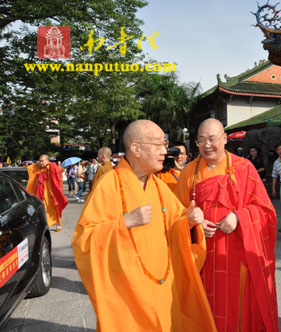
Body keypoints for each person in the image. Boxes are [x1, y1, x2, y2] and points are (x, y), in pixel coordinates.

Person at [72, 120, 216, 332]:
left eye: (164, 145)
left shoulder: (158, 186)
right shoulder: (109, 184)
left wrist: (191, 222)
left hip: (163, 286)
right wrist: (124, 223)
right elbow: (84, 239)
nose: (164, 152)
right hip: (128, 291)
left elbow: (178, 221)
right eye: (157, 145)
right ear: (136, 148)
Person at [175, 118, 279, 332]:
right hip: (203, 259)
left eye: (212, 139)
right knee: (206, 312)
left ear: (224, 140)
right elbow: (174, 215)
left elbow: (266, 212)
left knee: (236, 311)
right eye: (201, 140)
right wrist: (193, 223)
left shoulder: (244, 169)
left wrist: (239, 217)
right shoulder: (188, 173)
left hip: (237, 258)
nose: (207, 145)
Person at [27, 154, 68, 232]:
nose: (41, 162)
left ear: (47, 160)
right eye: (40, 161)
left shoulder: (51, 167)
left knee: (54, 208)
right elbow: (30, 168)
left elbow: (60, 170)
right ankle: (44, 224)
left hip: (50, 193)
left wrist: (50, 165)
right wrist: (37, 164)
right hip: (40, 192)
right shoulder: (38, 168)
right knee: (42, 210)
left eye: (42, 161)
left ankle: (58, 223)